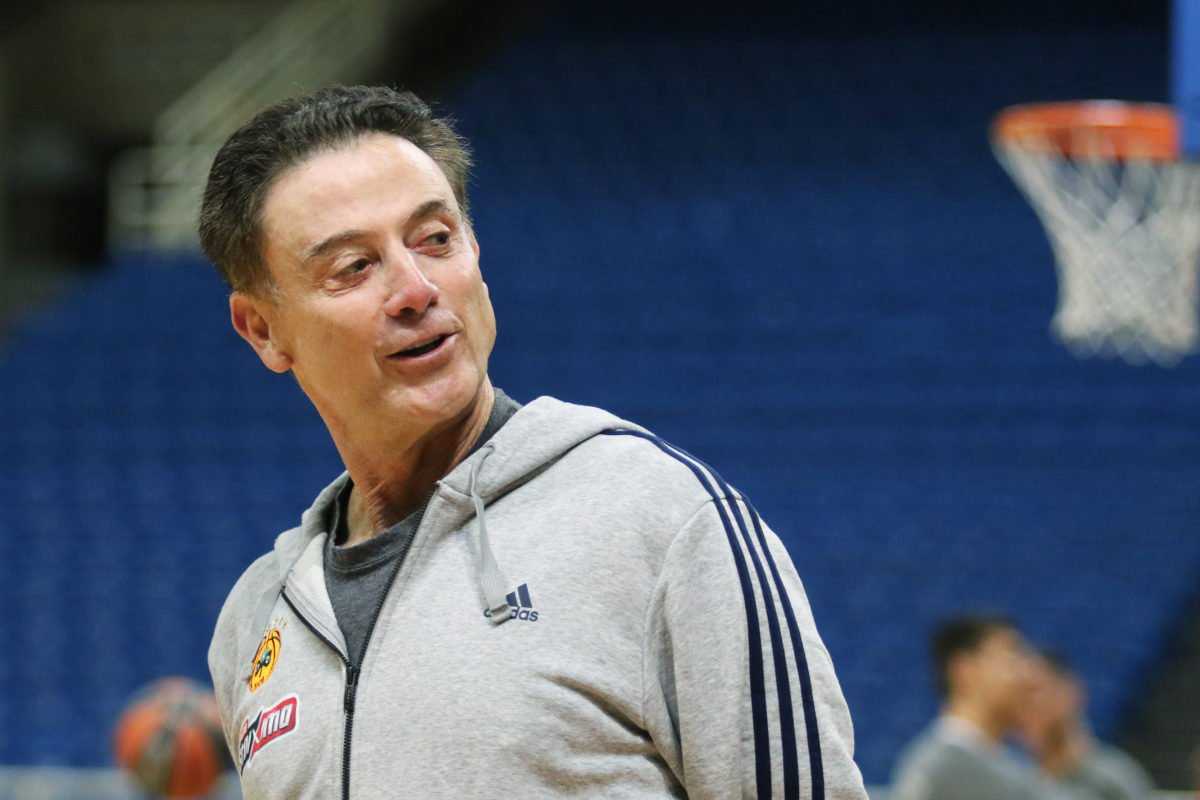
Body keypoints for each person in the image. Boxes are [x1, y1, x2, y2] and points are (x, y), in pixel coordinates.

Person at [200, 85, 867, 799]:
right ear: (263, 329)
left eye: (435, 239)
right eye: (354, 267)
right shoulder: (257, 618)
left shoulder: (664, 520)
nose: (416, 289)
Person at [891, 615, 1125, 800]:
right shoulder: (944, 767)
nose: (1025, 675)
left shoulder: (999, 762)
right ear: (965, 670)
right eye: (1011, 656)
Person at [1020, 651, 1154, 800]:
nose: (1028, 706)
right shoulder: (1020, 782)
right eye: (1020, 698)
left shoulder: (1113, 779)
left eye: (1034, 692)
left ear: (1070, 691)